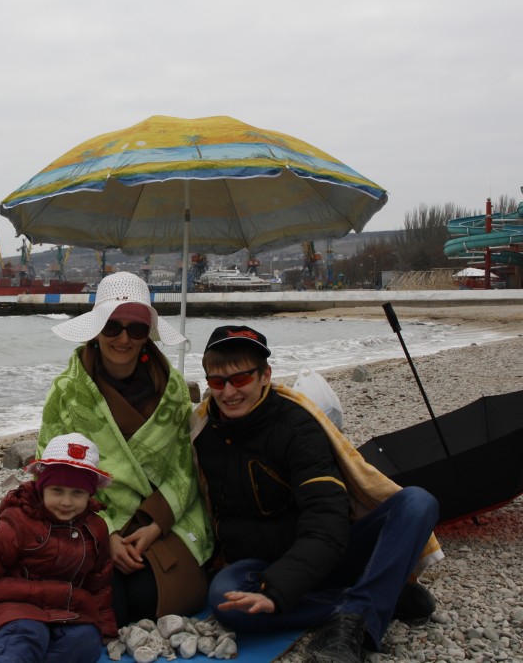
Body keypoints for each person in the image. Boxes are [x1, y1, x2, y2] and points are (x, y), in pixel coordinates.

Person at [191, 325, 443, 663]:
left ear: (265, 376)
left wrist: (279, 593)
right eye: (217, 381)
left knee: (417, 502)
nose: (228, 392)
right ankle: (377, 599)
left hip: (327, 553)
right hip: (260, 564)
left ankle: (356, 612)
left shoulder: (298, 426)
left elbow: (327, 519)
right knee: (226, 599)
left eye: (240, 378)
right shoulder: (202, 431)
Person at [38, 271, 213, 626]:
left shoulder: (173, 390)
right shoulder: (67, 391)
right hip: (89, 514)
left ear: (147, 333)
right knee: (110, 604)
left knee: (149, 599)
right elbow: (51, 467)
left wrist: (155, 526)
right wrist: (107, 534)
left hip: (158, 513)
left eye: (135, 329)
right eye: (112, 327)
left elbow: (185, 465)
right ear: (96, 329)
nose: (123, 338)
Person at [0, 433, 117, 663]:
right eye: (57, 490)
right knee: (22, 638)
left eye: (77, 493)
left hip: (69, 610)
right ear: (42, 488)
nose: (66, 502)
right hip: (15, 607)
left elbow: (99, 583)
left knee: (85, 642)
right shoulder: (18, 522)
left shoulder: (95, 529)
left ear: (89, 494)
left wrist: (105, 627)